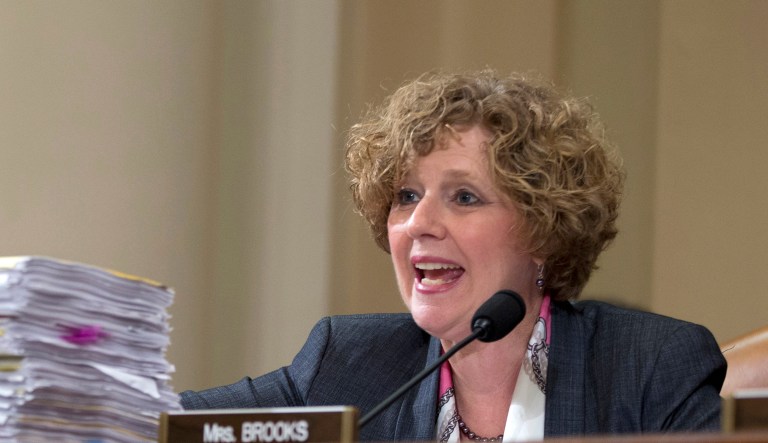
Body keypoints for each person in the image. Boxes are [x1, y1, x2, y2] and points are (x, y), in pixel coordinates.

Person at [180, 70, 726, 441]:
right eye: (406, 196)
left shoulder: (649, 368)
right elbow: (160, 426)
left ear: (543, 229)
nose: (418, 223)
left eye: (464, 197)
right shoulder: (348, 363)